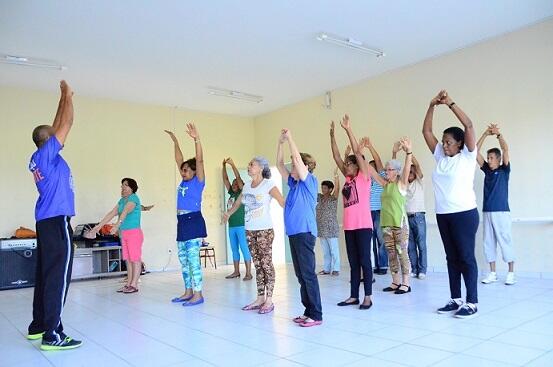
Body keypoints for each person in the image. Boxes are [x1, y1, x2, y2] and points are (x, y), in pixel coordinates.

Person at [27, 80, 82, 350]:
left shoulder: (42, 155)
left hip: (46, 222)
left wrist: (62, 97)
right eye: (54, 135)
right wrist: (69, 99)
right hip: (58, 222)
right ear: (48, 141)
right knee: (58, 277)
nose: (59, 134)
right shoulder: (47, 154)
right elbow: (67, 123)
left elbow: (58, 122)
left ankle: (38, 326)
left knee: (46, 275)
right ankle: (53, 334)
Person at [422, 90, 479, 318]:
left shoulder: (467, 157)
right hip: (444, 215)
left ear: (459, 145)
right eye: (443, 142)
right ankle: (456, 298)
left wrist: (450, 104)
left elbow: (469, 125)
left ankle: (472, 301)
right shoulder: (440, 158)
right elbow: (426, 131)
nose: (444, 145)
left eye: (448, 142)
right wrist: (432, 105)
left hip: (464, 214)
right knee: (452, 258)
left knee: (466, 257)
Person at [224, 157, 285, 314]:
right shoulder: (247, 187)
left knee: (266, 264)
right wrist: (228, 214)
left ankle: (269, 300)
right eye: (249, 164)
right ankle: (259, 298)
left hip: (264, 230)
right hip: (250, 231)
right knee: (258, 265)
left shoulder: (268, 184)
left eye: (252, 164)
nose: (249, 166)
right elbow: (238, 203)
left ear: (261, 168)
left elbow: (282, 202)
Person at [330, 115, 379, 310]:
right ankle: (353, 296)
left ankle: (367, 296)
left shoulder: (364, 177)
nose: (346, 166)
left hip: (364, 225)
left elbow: (357, 152)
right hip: (349, 226)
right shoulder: (348, 179)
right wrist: (332, 135)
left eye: (350, 164)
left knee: (365, 261)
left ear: (358, 166)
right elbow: (336, 157)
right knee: (353, 263)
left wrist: (348, 129)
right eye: (347, 165)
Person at [277, 128, 323, 327]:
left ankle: (317, 314)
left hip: (305, 233)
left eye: (295, 164)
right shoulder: (293, 184)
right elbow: (279, 165)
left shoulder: (309, 182)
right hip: (294, 234)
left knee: (308, 274)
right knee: (300, 275)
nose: (292, 167)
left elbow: (296, 158)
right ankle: (307, 311)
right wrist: (280, 143)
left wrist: (290, 139)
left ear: (304, 166)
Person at [164, 124, 207, 307]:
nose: (183, 172)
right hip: (182, 222)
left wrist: (196, 139)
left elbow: (200, 161)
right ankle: (188, 291)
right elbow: (179, 158)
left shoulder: (198, 182)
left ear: (194, 172)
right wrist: (175, 142)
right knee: (183, 260)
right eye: (182, 170)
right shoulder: (183, 180)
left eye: (186, 170)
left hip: (193, 221)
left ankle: (198, 294)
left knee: (193, 259)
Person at [369, 137, 414, 295]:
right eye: (386, 170)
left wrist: (408, 151)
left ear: (396, 172)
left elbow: (407, 169)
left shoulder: (401, 184)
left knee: (402, 253)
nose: (386, 171)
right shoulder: (384, 184)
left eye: (389, 170)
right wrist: (361, 151)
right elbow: (371, 171)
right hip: (386, 225)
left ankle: (406, 283)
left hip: (399, 225)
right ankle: (395, 282)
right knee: (391, 254)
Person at [87, 178, 145, 293]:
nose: (123, 188)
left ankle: (134, 285)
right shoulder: (122, 200)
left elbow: (124, 212)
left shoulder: (134, 198)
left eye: (126, 185)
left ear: (132, 188)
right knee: (127, 259)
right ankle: (129, 283)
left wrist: (117, 225)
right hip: (124, 234)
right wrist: (97, 227)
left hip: (134, 233)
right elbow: (111, 213)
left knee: (135, 259)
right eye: (122, 185)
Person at [476, 124, 515, 285]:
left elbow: (505, 149)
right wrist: (485, 133)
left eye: (492, 158)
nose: (489, 160)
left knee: (505, 240)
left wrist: (498, 135)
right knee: (488, 242)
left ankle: (511, 273)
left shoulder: (504, 170)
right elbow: (474, 152)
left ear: (499, 160)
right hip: (487, 212)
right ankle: (492, 273)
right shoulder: (486, 170)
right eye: (489, 157)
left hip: (501, 212)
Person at [393, 143, 427, 280]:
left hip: (419, 216)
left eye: (413, 173)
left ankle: (422, 270)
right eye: (409, 173)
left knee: (422, 245)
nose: (411, 174)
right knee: (410, 245)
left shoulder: (419, 182)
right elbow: (395, 173)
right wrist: (395, 153)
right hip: (406, 218)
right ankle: (413, 268)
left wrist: (409, 152)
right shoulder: (403, 185)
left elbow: (417, 166)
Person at [222, 157, 253, 281]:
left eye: (236, 184)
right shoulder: (231, 194)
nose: (234, 185)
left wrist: (232, 165)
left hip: (241, 226)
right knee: (234, 249)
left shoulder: (242, 193)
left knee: (244, 248)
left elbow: (238, 178)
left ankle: (249, 273)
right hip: (231, 226)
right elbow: (225, 179)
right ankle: (236, 271)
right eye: (233, 184)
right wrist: (223, 166)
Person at [316, 170, 341, 276]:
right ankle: (326, 269)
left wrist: (336, 176)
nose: (323, 189)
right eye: (322, 187)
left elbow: (338, 189)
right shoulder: (319, 197)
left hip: (331, 228)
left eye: (325, 188)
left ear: (330, 189)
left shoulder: (333, 198)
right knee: (325, 251)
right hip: (321, 228)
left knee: (334, 250)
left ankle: (336, 269)